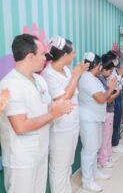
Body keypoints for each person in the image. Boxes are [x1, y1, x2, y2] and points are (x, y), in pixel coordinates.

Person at [0, 34, 73, 193]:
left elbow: (44, 108)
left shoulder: (39, 80)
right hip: (21, 159)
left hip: (40, 152)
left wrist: (55, 107)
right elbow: (20, 126)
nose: (45, 58)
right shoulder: (9, 85)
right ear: (30, 56)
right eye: (42, 54)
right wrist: (54, 113)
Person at [41, 36, 88, 193]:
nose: (74, 55)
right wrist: (75, 76)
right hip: (60, 129)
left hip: (73, 124)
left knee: (67, 165)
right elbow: (62, 99)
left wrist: (76, 75)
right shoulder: (48, 74)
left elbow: (74, 90)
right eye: (72, 52)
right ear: (64, 54)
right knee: (59, 168)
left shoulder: (67, 70)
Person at [78, 52, 117, 192]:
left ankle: (94, 172)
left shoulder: (93, 78)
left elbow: (103, 97)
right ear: (98, 65)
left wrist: (109, 90)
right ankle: (87, 181)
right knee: (89, 150)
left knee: (94, 148)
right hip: (88, 119)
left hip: (96, 118)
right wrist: (111, 88)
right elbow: (101, 98)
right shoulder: (87, 78)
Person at [97, 54, 121, 168]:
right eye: (110, 71)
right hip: (106, 111)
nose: (111, 73)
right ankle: (103, 159)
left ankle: (108, 156)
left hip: (109, 111)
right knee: (105, 137)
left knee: (108, 135)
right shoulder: (100, 80)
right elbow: (107, 98)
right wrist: (116, 92)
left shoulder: (104, 79)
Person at [106, 50, 123, 153]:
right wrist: (119, 76)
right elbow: (113, 84)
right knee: (114, 121)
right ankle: (114, 144)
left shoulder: (115, 70)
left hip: (118, 95)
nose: (117, 60)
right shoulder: (109, 71)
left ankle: (116, 142)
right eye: (116, 58)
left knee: (118, 119)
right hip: (113, 96)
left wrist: (120, 75)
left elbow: (120, 83)